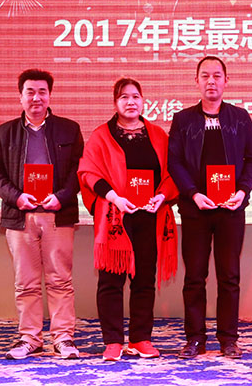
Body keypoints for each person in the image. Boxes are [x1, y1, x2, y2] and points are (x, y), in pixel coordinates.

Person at [77, 78, 179, 361]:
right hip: (115, 217)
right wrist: (114, 197)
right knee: (110, 281)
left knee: (144, 279)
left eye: (135, 96)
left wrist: (161, 196)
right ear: (115, 103)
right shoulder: (101, 136)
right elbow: (88, 173)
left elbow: (172, 173)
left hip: (149, 217)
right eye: (124, 97)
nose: (131, 102)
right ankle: (112, 341)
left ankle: (140, 338)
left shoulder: (158, 135)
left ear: (143, 101)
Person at [168, 56, 252, 359]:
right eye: (205, 76)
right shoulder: (183, 119)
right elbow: (174, 162)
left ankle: (228, 339)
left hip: (230, 210)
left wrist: (242, 192)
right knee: (194, 277)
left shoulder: (240, 118)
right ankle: (195, 339)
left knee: (229, 276)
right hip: (196, 209)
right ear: (196, 81)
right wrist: (194, 194)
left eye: (217, 75)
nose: (211, 81)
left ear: (226, 81)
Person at [0, 69, 84, 360]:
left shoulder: (69, 129)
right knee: (25, 282)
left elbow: (79, 171)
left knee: (60, 280)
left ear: (50, 95)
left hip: (57, 215)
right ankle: (30, 338)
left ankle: (63, 338)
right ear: (21, 96)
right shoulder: (5, 132)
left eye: (42, 91)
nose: (36, 97)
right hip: (21, 217)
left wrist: (61, 197)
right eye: (30, 92)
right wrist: (17, 197)